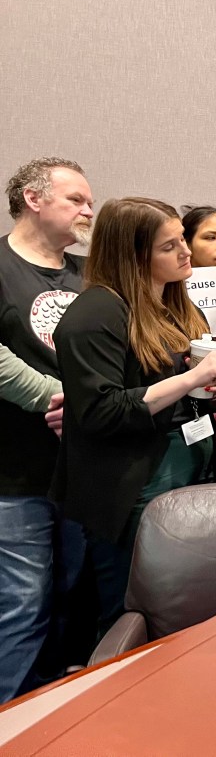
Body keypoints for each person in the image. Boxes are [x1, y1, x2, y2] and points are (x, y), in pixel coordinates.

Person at [53, 198, 216, 639]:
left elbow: (177, 392)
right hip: (130, 485)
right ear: (135, 256)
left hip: (187, 469)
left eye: (181, 240)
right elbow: (103, 411)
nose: (186, 253)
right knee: (130, 613)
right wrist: (190, 378)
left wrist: (211, 390)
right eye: (169, 246)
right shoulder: (95, 313)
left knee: (179, 607)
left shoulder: (177, 304)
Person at [0, 157, 92, 702]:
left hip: (82, 471)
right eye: (76, 199)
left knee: (72, 599)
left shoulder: (91, 273)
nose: (88, 209)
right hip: (15, 475)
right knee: (21, 607)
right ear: (34, 200)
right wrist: (56, 398)